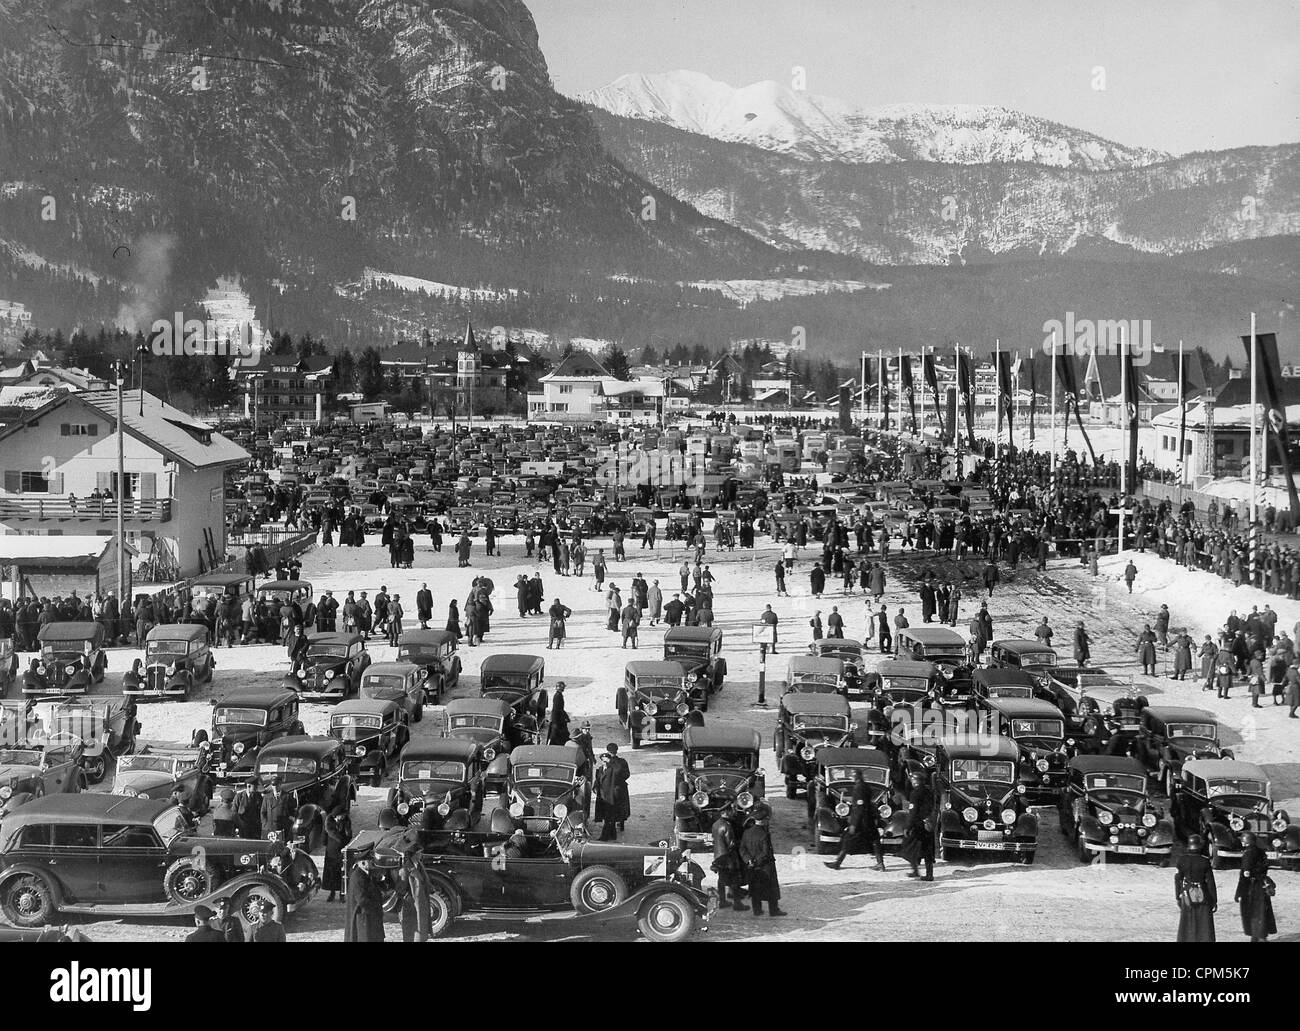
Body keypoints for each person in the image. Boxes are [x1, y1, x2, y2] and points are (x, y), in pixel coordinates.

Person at [824, 769, 885, 872]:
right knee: (875, 840)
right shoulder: (866, 786)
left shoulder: (859, 788)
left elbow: (859, 807)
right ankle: (880, 864)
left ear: (857, 776)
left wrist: (854, 824)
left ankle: (837, 863)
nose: (851, 777)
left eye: (852, 776)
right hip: (869, 819)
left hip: (861, 821)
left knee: (848, 839)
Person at [738, 802, 785, 916]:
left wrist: (749, 860)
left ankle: (757, 910)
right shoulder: (764, 834)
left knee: (754, 888)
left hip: (752, 867)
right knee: (771, 888)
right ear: (764, 820)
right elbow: (765, 852)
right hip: (765, 866)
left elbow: (742, 849)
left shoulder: (747, 832)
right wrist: (757, 861)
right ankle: (774, 910)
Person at [1174, 834, 1217, 942]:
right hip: (1203, 894)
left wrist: (1178, 896)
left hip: (1187, 894)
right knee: (1203, 923)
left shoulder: (1181, 860)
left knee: (1187, 923)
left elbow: (1177, 879)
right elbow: (1211, 882)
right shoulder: (1205, 861)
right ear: (1199, 846)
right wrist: (1214, 900)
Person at [1235, 832, 1277, 941]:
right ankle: (1256, 937)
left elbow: (1244, 875)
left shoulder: (1248, 854)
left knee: (1253, 913)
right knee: (1261, 911)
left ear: (1245, 841)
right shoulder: (1261, 851)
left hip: (1251, 887)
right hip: (1261, 884)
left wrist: (1239, 892)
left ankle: (1260, 937)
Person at [711, 806, 747, 910]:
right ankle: (737, 904)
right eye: (731, 811)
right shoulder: (727, 826)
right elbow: (731, 844)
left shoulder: (715, 824)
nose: (733, 813)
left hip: (718, 856)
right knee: (735, 879)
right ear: (727, 812)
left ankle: (722, 901)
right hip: (729, 857)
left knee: (721, 879)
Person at [901, 771, 935, 881]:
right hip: (928, 824)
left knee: (909, 847)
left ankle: (916, 870)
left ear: (915, 781)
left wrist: (908, 827)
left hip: (918, 826)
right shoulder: (929, 791)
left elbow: (913, 812)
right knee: (927, 850)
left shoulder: (915, 794)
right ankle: (929, 874)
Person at [594, 743, 630, 840]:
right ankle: (612, 834)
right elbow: (600, 777)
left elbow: (619, 772)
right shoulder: (606, 765)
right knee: (609, 815)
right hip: (606, 794)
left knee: (610, 815)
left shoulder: (616, 764)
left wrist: (616, 781)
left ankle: (605, 836)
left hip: (613, 793)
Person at [344, 857, 385, 942]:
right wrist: (376, 907)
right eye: (370, 861)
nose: (373, 863)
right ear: (363, 863)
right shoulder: (358, 877)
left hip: (370, 918)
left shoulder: (367, 874)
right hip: (364, 918)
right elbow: (362, 899)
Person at [323, 812, 350, 903]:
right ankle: (332, 893)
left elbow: (348, 834)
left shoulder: (346, 822)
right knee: (331, 873)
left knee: (342, 872)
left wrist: (344, 843)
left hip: (341, 850)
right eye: (341, 815)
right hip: (331, 851)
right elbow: (326, 836)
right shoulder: (329, 822)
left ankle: (342, 894)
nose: (343, 817)